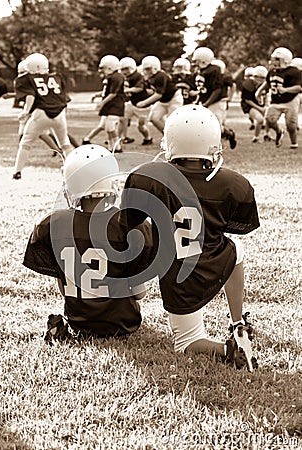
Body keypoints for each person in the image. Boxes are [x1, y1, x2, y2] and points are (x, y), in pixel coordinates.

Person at [120, 105, 260, 372]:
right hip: (217, 260)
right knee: (236, 248)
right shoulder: (234, 183)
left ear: (171, 143)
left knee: (188, 342)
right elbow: (239, 227)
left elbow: (130, 222)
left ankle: (227, 349)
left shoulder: (148, 177)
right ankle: (238, 321)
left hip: (179, 275)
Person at [23, 144, 152, 340]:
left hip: (79, 321)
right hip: (124, 323)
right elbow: (139, 294)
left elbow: (63, 289)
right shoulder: (128, 226)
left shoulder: (54, 225)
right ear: (112, 184)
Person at [12, 53, 73, 179]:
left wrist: (26, 111)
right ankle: (75, 169)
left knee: (26, 142)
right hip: (60, 114)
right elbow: (64, 100)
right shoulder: (57, 77)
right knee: (65, 143)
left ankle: (17, 171)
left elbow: (30, 96)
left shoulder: (26, 79)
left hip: (41, 113)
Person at [255, 47, 301, 149]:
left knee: (291, 124)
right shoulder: (272, 71)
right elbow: (268, 82)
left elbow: (298, 87)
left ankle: (294, 143)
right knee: (269, 120)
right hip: (276, 100)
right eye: (274, 58)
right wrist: (259, 91)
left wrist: (285, 90)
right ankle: (279, 131)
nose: (273, 61)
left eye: (277, 59)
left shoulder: (293, 71)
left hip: (291, 100)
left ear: (285, 60)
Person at [191, 47, 237, 149]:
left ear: (203, 60)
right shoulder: (199, 71)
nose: (194, 62)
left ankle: (226, 136)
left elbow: (217, 89)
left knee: (215, 126)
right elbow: (203, 89)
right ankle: (210, 144)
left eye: (197, 60)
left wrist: (208, 103)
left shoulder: (214, 70)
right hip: (205, 101)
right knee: (203, 125)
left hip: (216, 101)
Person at [83, 55, 125, 152]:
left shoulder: (117, 77)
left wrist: (101, 103)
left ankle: (117, 146)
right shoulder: (111, 77)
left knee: (110, 127)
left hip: (115, 105)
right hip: (110, 105)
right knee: (107, 127)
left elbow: (113, 93)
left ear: (110, 67)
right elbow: (107, 91)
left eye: (103, 68)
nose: (101, 70)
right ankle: (111, 147)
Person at [136, 55, 183, 134]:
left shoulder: (160, 75)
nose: (146, 71)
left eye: (148, 69)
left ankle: (180, 137)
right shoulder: (150, 77)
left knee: (175, 122)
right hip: (163, 100)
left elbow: (158, 94)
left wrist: (144, 102)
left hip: (173, 98)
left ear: (155, 67)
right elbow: (153, 91)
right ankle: (167, 136)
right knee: (154, 118)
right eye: (145, 69)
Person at [118, 57, 153, 146]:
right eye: (123, 69)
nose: (125, 71)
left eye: (126, 68)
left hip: (142, 105)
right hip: (132, 103)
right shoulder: (124, 77)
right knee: (122, 119)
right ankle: (119, 138)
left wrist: (126, 90)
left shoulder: (137, 76)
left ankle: (148, 138)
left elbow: (139, 88)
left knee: (141, 126)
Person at [241, 65, 269, 143]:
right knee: (260, 119)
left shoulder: (265, 85)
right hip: (249, 105)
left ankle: (267, 134)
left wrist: (266, 106)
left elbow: (266, 95)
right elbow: (247, 100)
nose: (260, 80)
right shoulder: (248, 84)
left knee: (269, 118)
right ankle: (256, 137)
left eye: (262, 78)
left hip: (260, 104)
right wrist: (260, 108)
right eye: (257, 77)